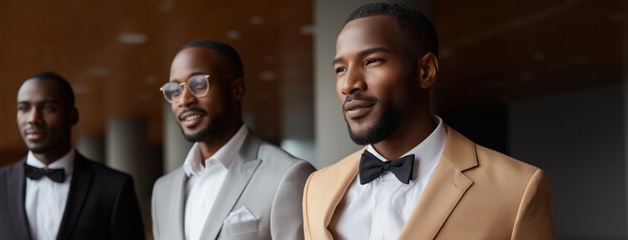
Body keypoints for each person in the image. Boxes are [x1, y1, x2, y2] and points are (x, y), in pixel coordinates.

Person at [302, 2, 555, 239]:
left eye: (372, 61)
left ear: (426, 71)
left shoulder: (517, 189)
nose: (349, 84)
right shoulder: (316, 189)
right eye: (340, 70)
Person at [151, 39, 315, 240]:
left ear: (237, 89)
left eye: (199, 84)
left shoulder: (288, 175)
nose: (184, 100)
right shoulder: (163, 190)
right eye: (175, 90)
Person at [0, 71, 145, 240]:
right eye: (24, 108)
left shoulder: (114, 187)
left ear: (73, 116)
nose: (33, 119)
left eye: (49, 108)